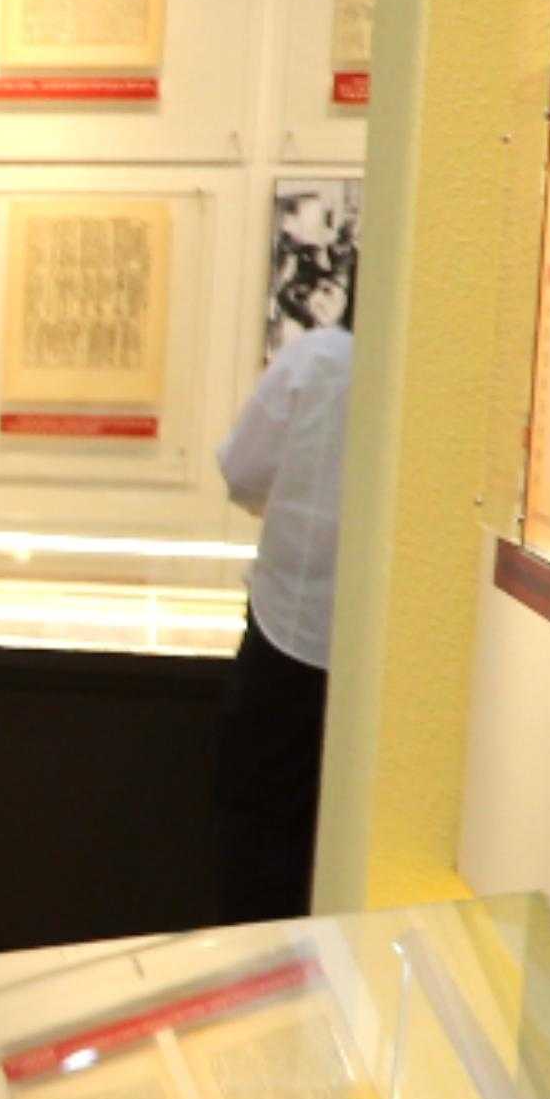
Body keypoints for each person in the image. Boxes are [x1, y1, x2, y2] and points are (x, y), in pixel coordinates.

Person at [214, 313, 357, 919]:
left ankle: (265, 966)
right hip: (379, 653)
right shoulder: (435, 370)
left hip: (288, 629)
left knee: (264, 831)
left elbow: (241, 470)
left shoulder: (318, 358)